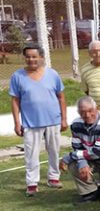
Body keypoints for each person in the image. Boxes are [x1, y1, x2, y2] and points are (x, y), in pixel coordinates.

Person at [9, 44, 67, 196]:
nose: (31, 59)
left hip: (53, 120)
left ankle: (54, 177)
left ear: (41, 57)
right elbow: (15, 100)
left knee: (54, 151)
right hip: (30, 122)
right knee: (31, 153)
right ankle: (32, 182)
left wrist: (64, 119)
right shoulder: (17, 76)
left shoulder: (53, 74)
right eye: (28, 56)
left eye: (34, 56)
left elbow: (61, 97)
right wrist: (16, 122)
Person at [59, 95, 100, 203]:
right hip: (91, 158)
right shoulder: (76, 124)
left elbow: (96, 153)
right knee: (74, 165)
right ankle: (90, 192)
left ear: (97, 109)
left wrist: (68, 157)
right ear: (78, 112)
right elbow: (77, 147)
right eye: (82, 112)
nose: (87, 115)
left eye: (90, 111)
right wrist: (83, 163)